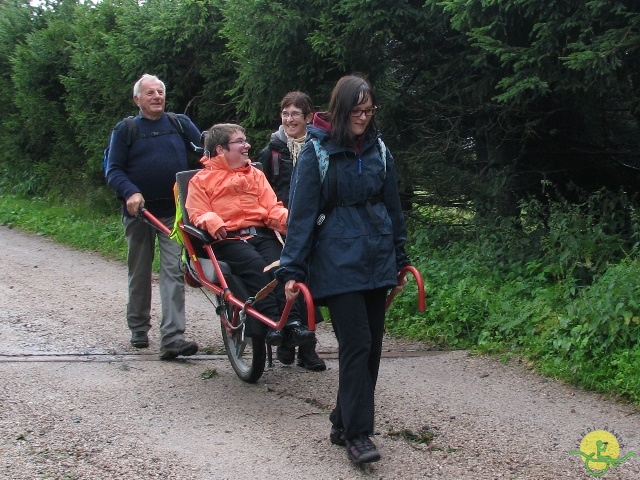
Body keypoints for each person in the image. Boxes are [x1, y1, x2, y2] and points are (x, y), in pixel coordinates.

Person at [276, 74, 411, 465]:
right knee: (357, 345)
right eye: (357, 111)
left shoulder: (379, 150)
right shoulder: (318, 153)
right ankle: (358, 435)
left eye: (369, 111)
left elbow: (393, 208)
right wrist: (291, 271)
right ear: (341, 110)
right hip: (336, 260)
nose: (364, 118)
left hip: (376, 256)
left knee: (373, 348)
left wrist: (401, 257)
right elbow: (300, 218)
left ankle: (341, 419)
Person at [185, 123, 315, 348]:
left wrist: (288, 220)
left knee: (281, 267)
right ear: (220, 149)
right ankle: (272, 322)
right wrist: (213, 221)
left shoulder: (255, 174)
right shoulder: (201, 180)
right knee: (256, 266)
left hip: (260, 233)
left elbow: (271, 206)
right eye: (240, 142)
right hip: (228, 238)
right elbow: (198, 211)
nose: (248, 145)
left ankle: (292, 322)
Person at [106, 73, 201, 360]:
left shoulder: (180, 124)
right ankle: (138, 327)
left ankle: (173, 337)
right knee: (140, 271)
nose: (157, 96)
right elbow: (113, 170)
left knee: (173, 270)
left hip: (173, 213)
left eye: (160, 91)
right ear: (137, 99)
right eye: (150, 93)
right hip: (139, 213)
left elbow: (205, 155)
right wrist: (130, 192)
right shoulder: (126, 130)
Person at [256, 91, 326, 372]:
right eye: (285, 114)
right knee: (289, 280)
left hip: (313, 225)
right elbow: (263, 190)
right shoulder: (272, 151)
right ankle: (288, 340)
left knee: (310, 283)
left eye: (295, 114)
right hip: (280, 227)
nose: (289, 119)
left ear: (309, 117)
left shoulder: (319, 146)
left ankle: (306, 347)